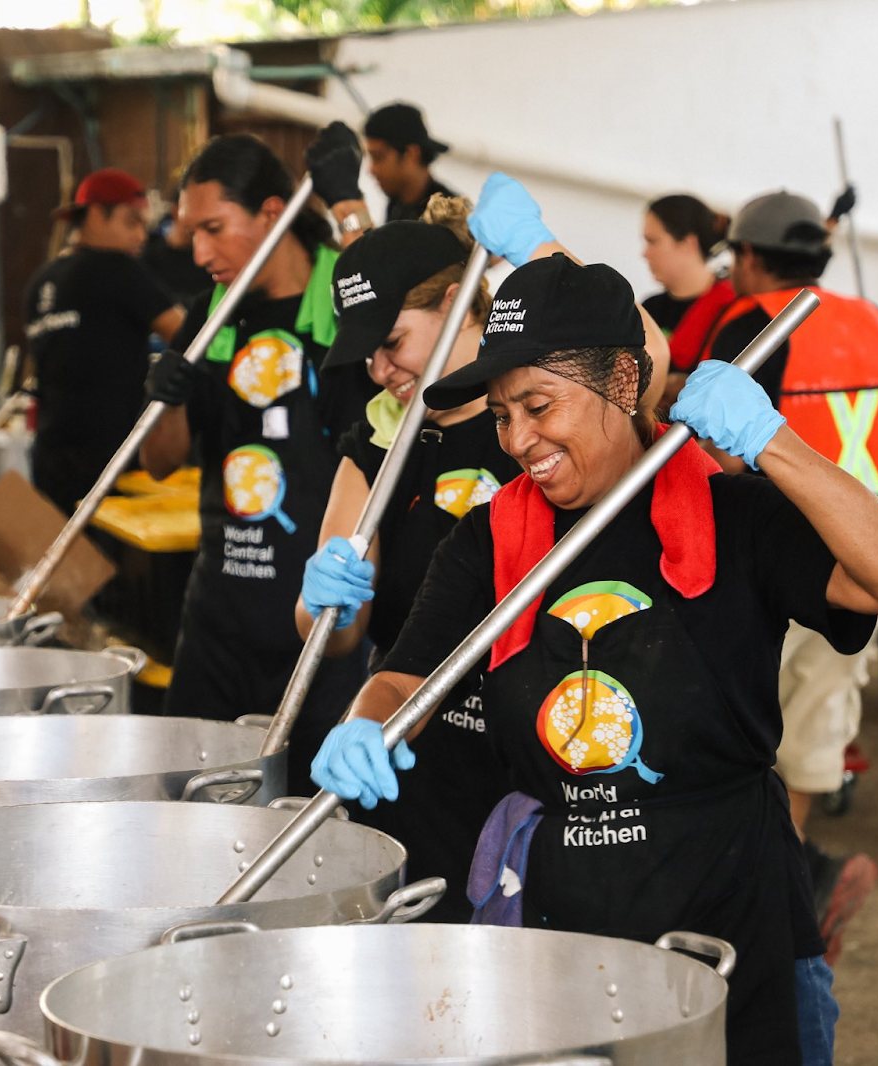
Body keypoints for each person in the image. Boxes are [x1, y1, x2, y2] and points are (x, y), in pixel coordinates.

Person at [310, 248, 878, 1065]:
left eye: (538, 404)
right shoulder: (489, 539)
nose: (519, 439)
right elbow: (401, 676)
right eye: (502, 414)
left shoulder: (732, 516)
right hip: (568, 925)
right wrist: (367, 726)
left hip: (733, 905)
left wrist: (774, 443)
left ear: (625, 384)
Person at [702, 189, 878, 962]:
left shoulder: (754, 326)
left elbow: (716, 450)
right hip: (867, 563)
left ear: (751, 257)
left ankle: (769, 897)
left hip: (782, 565)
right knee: (814, 731)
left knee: (749, 734)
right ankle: (794, 878)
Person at [294, 201, 519, 923]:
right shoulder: (377, 448)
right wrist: (324, 598)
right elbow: (335, 633)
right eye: (368, 351)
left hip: (527, 750)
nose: (380, 369)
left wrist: (542, 246)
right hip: (411, 755)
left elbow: (644, 354)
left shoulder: (537, 421)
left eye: (394, 341)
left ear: (456, 305)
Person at [140, 132, 379, 793]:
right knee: (190, 799)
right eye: (191, 233)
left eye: (215, 229)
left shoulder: (343, 291)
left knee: (312, 819)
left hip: (324, 617)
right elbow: (159, 463)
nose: (199, 252)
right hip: (218, 614)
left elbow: (402, 305)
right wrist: (164, 401)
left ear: (272, 213)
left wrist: (349, 201)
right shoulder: (210, 316)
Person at [22, 168, 185, 513]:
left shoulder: (40, 281)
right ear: (96, 214)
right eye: (132, 222)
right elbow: (188, 335)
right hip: (109, 460)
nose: (141, 235)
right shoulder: (117, 269)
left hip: (49, 456)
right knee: (112, 565)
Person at [641, 194, 738, 404]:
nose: (645, 254)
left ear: (688, 243)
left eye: (653, 241)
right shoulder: (649, 308)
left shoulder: (731, 310)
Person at [364, 103, 454, 223]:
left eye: (378, 157)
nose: (371, 169)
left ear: (411, 154)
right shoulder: (397, 204)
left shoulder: (447, 215)